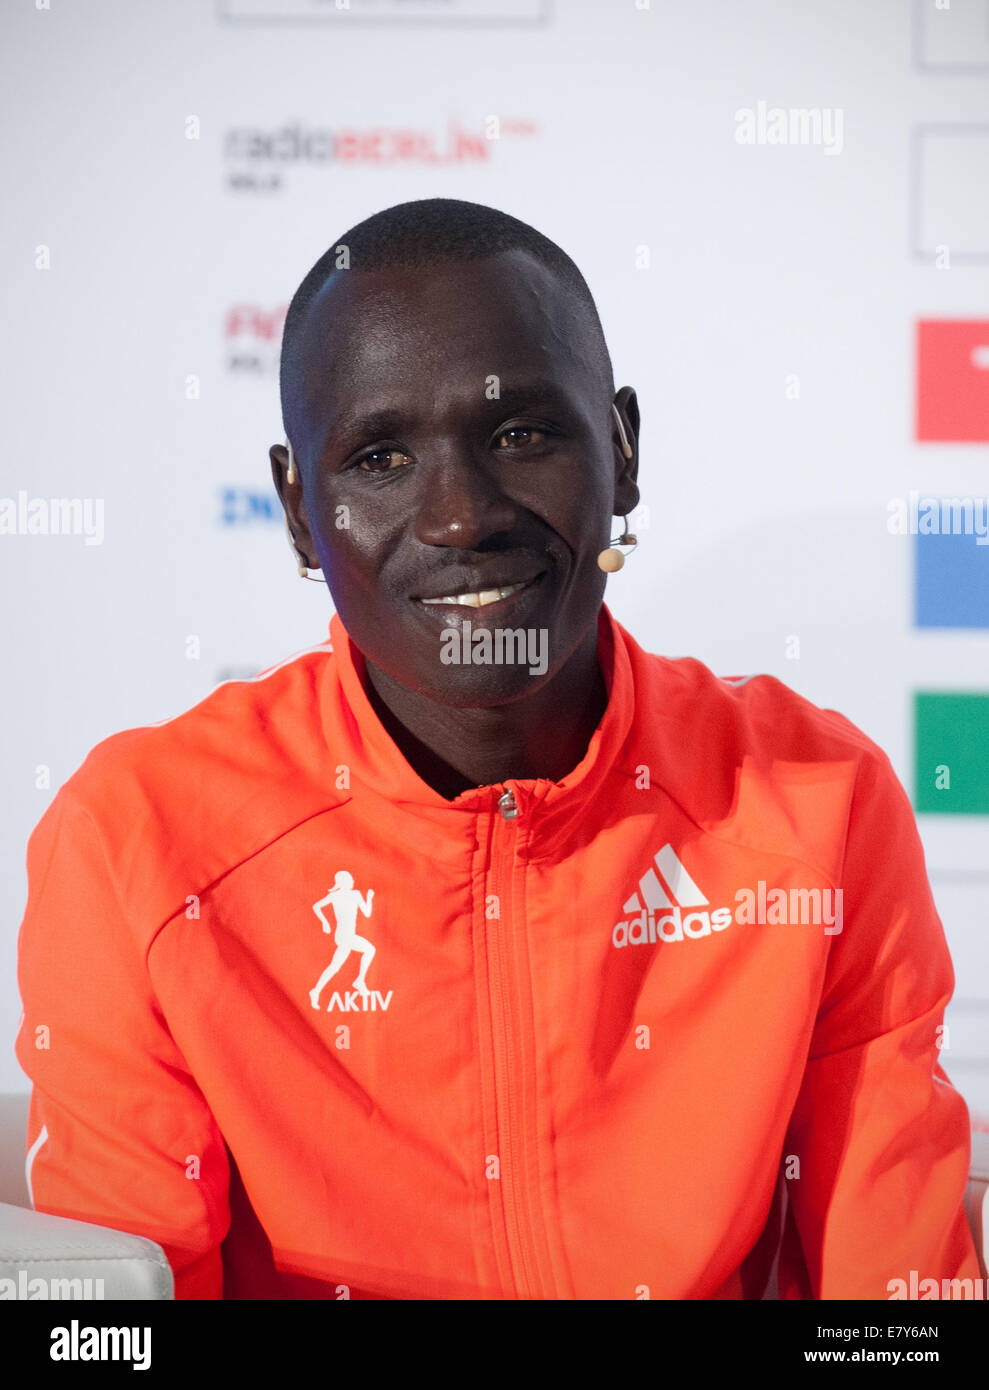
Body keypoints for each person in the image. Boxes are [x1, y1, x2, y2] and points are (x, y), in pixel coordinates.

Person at [15, 198, 980, 1300]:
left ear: (620, 453)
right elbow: (112, 1325)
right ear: (298, 510)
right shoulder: (138, 837)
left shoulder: (815, 804)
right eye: (379, 457)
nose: (461, 517)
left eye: (521, 434)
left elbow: (894, 1301)